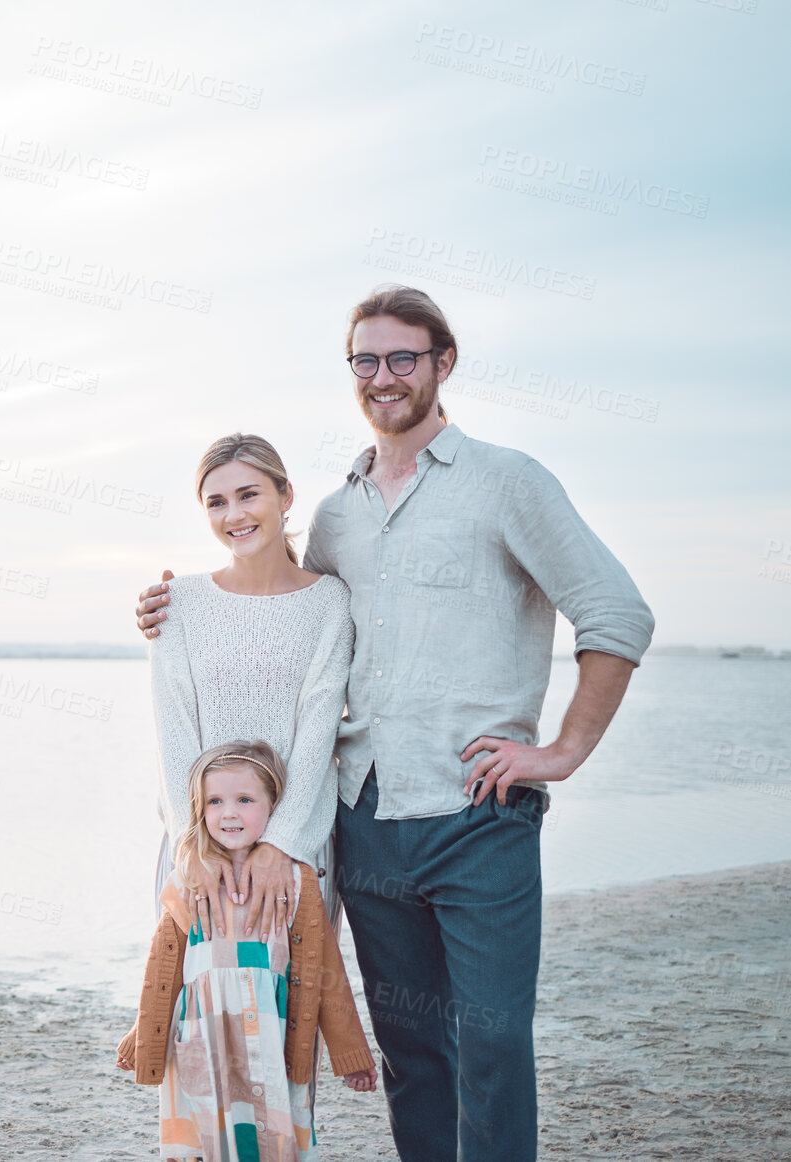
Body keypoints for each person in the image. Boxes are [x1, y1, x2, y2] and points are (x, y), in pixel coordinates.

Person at [135, 285, 654, 1161]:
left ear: (442, 363)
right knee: (411, 1053)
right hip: (364, 820)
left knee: (490, 1046)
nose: (383, 376)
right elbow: (283, 604)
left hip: (477, 813)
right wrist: (174, 606)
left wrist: (560, 750)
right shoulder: (337, 514)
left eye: (402, 357)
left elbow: (615, 614)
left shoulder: (506, 482)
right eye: (365, 361)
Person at [114, 741, 377, 1162]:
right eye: (215, 801)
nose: (229, 812)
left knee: (270, 1138)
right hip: (203, 1036)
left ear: (274, 807)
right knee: (203, 1137)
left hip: (268, 1038)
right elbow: (162, 970)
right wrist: (140, 1035)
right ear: (199, 809)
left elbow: (325, 970)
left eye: (245, 800)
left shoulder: (294, 881)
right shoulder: (189, 880)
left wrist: (351, 1056)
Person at [147, 435, 354, 939]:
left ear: (285, 497)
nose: (234, 514)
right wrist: (190, 848)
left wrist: (279, 845)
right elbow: (173, 732)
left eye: (249, 494)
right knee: (194, 1010)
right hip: (197, 847)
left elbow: (317, 735)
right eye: (216, 502)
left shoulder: (330, 603)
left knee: (291, 1009)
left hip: (297, 848)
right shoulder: (177, 603)